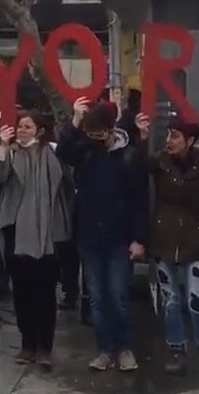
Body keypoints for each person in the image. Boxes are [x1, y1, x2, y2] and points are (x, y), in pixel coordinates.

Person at [56, 97, 147, 372]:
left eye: (98, 133)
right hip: (89, 237)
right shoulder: (86, 151)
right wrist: (74, 122)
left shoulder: (128, 156)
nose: (94, 138)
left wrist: (139, 238)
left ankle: (124, 347)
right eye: (90, 133)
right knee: (97, 298)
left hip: (119, 238)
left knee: (118, 296)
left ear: (110, 130)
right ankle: (105, 349)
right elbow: (63, 151)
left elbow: (140, 200)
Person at [137, 116, 199, 376]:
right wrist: (142, 138)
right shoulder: (160, 162)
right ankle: (177, 350)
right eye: (168, 135)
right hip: (163, 240)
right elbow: (138, 165)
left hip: (193, 242)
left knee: (196, 299)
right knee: (171, 301)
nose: (169, 141)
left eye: (175, 136)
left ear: (190, 140)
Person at [0, 110, 71, 370]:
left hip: (46, 231)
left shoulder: (51, 153)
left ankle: (44, 347)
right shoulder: (11, 152)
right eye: (19, 126)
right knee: (22, 291)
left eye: (27, 126)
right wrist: (3, 147)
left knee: (45, 292)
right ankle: (27, 343)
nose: (22, 130)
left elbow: (63, 178)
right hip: (16, 230)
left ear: (39, 130)